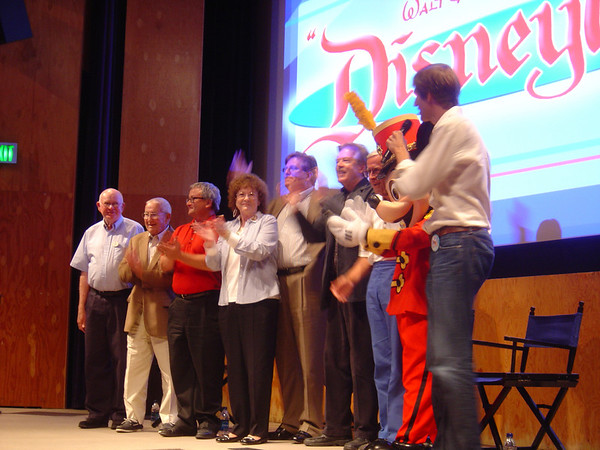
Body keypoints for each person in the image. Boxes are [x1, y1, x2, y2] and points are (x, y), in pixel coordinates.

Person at [386, 63, 495, 449]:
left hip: (459, 244)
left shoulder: (452, 126)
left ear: (429, 95)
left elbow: (415, 184)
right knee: (443, 360)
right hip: (458, 245)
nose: (416, 104)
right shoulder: (457, 127)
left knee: (449, 361)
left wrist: (401, 154)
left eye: (417, 96)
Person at [302, 143, 379, 450]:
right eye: (338, 161)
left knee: (362, 363)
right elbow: (313, 235)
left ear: (362, 167)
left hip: (361, 290)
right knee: (334, 363)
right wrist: (296, 207)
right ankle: (335, 428)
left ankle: (365, 430)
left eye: (346, 160)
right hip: (335, 291)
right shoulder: (335, 199)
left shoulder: (372, 195)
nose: (340, 164)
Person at [195, 173, 280, 446]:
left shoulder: (267, 222)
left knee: (257, 367)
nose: (246, 198)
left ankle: (258, 428)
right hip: (229, 303)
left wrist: (225, 235)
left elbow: (259, 251)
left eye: (251, 194)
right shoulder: (229, 226)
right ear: (234, 199)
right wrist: (210, 240)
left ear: (259, 198)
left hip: (259, 301)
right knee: (236, 368)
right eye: (241, 194)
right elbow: (214, 264)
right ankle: (241, 425)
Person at [70, 188, 144, 429]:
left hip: (122, 300)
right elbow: (84, 273)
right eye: (107, 203)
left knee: (122, 358)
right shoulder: (90, 233)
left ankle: (120, 411)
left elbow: (141, 269)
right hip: (95, 300)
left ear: (123, 206)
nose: (111, 208)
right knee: (95, 358)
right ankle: (97, 412)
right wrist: (81, 308)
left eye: (115, 203)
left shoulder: (134, 230)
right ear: (98, 206)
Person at [267, 152, 327, 444]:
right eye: (286, 168)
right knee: (286, 355)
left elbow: (321, 238)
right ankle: (291, 420)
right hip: (278, 280)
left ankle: (312, 421)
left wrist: (297, 208)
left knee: (309, 355)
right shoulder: (277, 204)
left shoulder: (323, 200)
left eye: (295, 169)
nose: (288, 173)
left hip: (306, 279)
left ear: (311, 173)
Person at [157, 182, 224, 439]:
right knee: (180, 363)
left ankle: (208, 418)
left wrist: (179, 256)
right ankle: (185, 419)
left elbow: (211, 265)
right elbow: (166, 266)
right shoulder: (181, 229)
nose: (188, 202)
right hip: (180, 303)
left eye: (193, 198)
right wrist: (170, 255)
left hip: (206, 302)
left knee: (206, 363)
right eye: (188, 198)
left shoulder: (216, 228)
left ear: (208, 202)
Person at [116, 197, 177, 432]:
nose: (148, 219)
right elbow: (123, 272)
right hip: (137, 312)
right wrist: (138, 272)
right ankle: (133, 417)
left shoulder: (175, 240)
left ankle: (170, 419)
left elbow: (166, 279)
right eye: (145, 214)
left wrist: (140, 272)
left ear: (167, 217)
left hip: (163, 314)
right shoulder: (137, 240)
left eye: (154, 214)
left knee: (169, 371)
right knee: (134, 368)